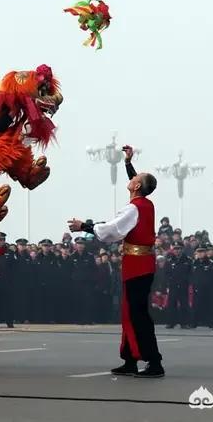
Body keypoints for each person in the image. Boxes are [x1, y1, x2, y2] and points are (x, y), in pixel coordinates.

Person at [68, 144, 164, 378]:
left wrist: (86, 226)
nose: (132, 180)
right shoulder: (144, 204)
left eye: (135, 178)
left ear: (138, 185)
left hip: (137, 266)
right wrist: (129, 163)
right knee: (129, 311)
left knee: (137, 313)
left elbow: (112, 230)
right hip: (138, 264)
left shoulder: (134, 208)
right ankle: (130, 359)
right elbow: (137, 186)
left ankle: (154, 362)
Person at [0, 233, 16, 328]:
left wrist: (12, 281)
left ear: (4, 240)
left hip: (6, 282)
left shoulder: (10, 252)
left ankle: (9, 321)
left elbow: (14, 268)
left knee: (8, 303)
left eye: (1, 240)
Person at [164, 241, 191, 329]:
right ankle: (171, 322)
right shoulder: (169, 260)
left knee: (184, 304)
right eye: (175, 249)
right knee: (171, 304)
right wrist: (168, 283)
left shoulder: (187, 260)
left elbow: (191, 273)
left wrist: (187, 281)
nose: (177, 251)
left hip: (183, 285)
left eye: (178, 249)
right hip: (173, 285)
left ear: (182, 249)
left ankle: (184, 323)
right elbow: (166, 273)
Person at [71, 237, 97, 324]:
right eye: (78, 244)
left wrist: (92, 281)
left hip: (87, 283)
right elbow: (69, 270)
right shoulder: (72, 256)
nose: (80, 246)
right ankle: (77, 319)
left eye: (82, 244)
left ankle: (88, 319)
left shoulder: (89, 256)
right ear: (76, 245)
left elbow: (94, 270)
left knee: (88, 302)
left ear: (84, 245)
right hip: (76, 283)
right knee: (77, 301)